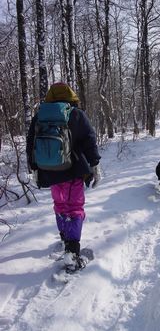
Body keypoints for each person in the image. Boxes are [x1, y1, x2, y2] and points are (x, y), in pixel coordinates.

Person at [26, 82, 101, 270]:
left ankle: (64, 237)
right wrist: (95, 165)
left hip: (50, 172)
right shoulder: (76, 114)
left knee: (60, 205)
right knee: (75, 208)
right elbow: (89, 140)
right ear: (71, 95)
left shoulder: (40, 116)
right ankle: (72, 251)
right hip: (74, 171)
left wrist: (34, 168)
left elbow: (31, 144)